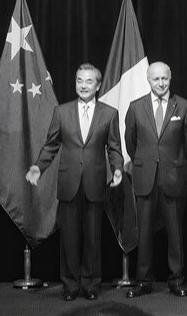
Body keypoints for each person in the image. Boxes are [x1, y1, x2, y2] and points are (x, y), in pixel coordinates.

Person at [25, 63, 123, 301]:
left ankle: (91, 285)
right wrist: (38, 167)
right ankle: (70, 285)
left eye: (89, 81)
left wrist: (118, 169)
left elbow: (114, 148)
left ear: (98, 85)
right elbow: (51, 145)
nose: (83, 85)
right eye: (80, 80)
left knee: (93, 238)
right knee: (68, 239)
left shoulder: (109, 113)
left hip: (94, 184)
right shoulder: (61, 112)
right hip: (68, 184)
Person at [124, 62, 187, 298]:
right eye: (156, 79)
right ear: (148, 80)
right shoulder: (135, 107)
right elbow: (131, 143)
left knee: (175, 233)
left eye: (164, 78)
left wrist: (173, 163)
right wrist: (146, 162)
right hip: (145, 179)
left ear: (170, 78)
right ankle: (144, 281)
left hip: (173, 178)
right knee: (144, 233)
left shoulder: (184, 106)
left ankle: (176, 280)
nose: (161, 83)